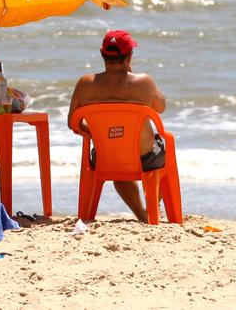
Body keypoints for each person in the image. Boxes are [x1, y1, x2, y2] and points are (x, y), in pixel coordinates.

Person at [67, 29, 167, 222]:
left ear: (101, 53)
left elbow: (73, 122)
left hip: (106, 157)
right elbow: (160, 107)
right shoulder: (144, 82)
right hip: (146, 159)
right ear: (129, 55)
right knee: (165, 153)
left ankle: (141, 215)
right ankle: (150, 211)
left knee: (118, 160)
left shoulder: (85, 84)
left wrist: (98, 135)